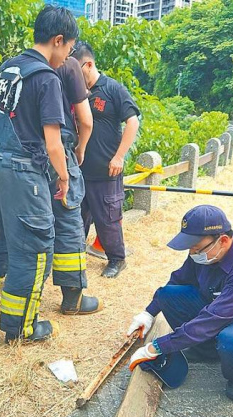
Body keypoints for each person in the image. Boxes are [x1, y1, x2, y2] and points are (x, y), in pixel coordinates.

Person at [0, 6, 78, 344]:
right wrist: (64, 177)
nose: (67, 57)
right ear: (58, 40)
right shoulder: (46, 78)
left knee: (4, 244)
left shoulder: (9, 68)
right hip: (25, 176)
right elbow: (53, 143)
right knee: (35, 251)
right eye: (69, 49)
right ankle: (20, 328)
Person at [126, 205, 233, 402]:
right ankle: (207, 350)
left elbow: (213, 319)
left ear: (223, 240)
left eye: (196, 248)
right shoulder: (205, 253)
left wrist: (157, 347)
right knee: (168, 295)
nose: (192, 253)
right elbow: (179, 280)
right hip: (220, 311)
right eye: (190, 248)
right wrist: (148, 313)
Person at [71, 42, 140, 278]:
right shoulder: (76, 92)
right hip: (79, 170)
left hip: (106, 171)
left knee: (108, 220)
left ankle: (117, 260)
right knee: (76, 219)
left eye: (76, 69)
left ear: (89, 64)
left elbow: (133, 122)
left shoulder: (112, 89)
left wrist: (119, 157)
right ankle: (74, 258)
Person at [48, 52, 103, 315]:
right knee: (69, 223)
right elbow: (86, 120)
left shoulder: (24, 65)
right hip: (60, 152)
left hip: (28, 159)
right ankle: (73, 299)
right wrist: (80, 149)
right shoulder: (68, 65)